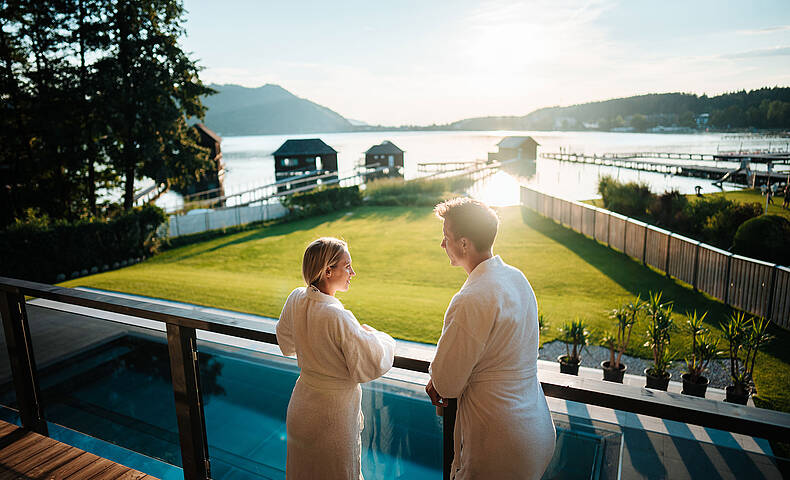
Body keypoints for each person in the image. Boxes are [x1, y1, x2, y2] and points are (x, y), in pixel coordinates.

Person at [426, 198, 556, 480]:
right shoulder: (517, 278)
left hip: (500, 445)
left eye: (445, 237)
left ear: (463, 244)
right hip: (537, 427)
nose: (442, 244)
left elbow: (446, 383)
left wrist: (435, 376)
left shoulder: (471, 298)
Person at [277, 237, 396, 480]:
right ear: (328, 271)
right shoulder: (337, 316)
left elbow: (286, 344)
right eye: (347, 266)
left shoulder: (296, 298)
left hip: (302, 405)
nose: (354, 272)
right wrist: (381, 337)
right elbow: (370, 363)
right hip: (333, 415)